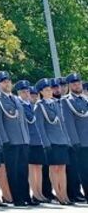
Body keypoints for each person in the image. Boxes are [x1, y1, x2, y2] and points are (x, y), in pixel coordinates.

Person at [0, 71, 32, 207]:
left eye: (8, 81)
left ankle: (26, 196)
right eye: (4, 81)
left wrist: (26, 138)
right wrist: (5, 140)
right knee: (13, 171)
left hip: (22, 140)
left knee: (23, 170)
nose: (7, 83)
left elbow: (23, 121)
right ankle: (17, 198)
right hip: (10, 141)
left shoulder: (16, 99)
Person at [37, 79, 72, 204]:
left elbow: (62, 123)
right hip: (51, 142)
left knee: (62, 168)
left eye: (50, 89)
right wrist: (46, 143)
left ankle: (64, 194)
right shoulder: (40, 106)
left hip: (61, 140)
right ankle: (59, 194)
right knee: (54, 169)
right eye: (46, 90)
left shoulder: (56, 104)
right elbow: (40, 127)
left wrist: (67, 139)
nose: (49, 91)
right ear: (41, 92)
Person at [16, 80, 47, 205]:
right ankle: (34, 193)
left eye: (28, 91)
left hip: (37, 140)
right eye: (23, 91)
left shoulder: (31, 105)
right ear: (18, 93)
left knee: (38, 167)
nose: (26, 93)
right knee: (31, 168)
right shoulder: (20, 106)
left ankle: (38, 193)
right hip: (28, 140)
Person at [64, 73, 88, 205]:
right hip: (80, 142)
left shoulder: (85, 100)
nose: (76, 85)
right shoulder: (66, 101)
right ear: (69, 85)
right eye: (73, 83)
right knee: (83, 170)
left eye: (78, 82)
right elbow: (69, 123)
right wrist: (75, 141)